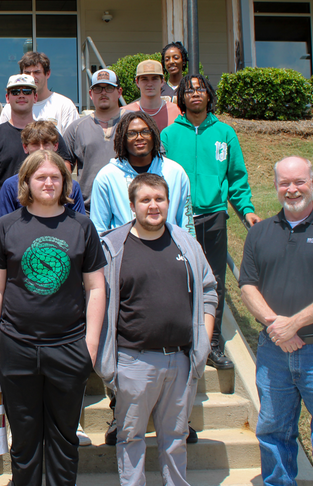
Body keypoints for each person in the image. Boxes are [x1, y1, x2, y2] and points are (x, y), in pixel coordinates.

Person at [0, 150, 106, 486]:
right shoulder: (7, 227)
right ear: (26, 182)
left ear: (65, 182)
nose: (48, 183)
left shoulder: (82, 226)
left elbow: (96, 287)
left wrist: (90, 344)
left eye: (55, 177)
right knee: (23, 439)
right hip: (17, 346)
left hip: (68, 345)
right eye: (41, 177)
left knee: (65, 439)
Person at [239, 156, 313, 486]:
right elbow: (247, 286)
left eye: (299, 182)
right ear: (276, 187)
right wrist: (277, 327)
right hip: (273, 353)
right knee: (273, 434)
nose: (292, 190)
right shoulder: (261, 232)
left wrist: (294, 324)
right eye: (284, 183)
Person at [95, 173, 217, 486]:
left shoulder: (186, 243)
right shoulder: (112, 248)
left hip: (180, 360)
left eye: (159, 199)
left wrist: (202, 341)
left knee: (175, 438)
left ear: (168, 202)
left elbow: (208, 290)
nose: (153, 206)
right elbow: (95, 300)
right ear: (132, 205)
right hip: (133, 361)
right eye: (145, 200)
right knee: (131, 437)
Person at [162, 74, 261, 371]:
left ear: (208, 95)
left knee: (215, 283)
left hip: (214, 216)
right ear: (181, 98)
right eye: (188, 90)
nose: (194, 94)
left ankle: (212, 343)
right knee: (178, 281)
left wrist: (246, 210)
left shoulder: (225, 133)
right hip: (178, 219)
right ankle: (180, 342)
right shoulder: (168, 135)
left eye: (200, 89)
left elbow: (237, 179)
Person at [0, 74, 73, 209]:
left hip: (47, 212)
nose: (21, 95)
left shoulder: (51, 133)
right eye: (15, 92)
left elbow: (64, 176)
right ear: (7, 98)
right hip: (4, 213)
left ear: (35, 97)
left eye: (27, 91)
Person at [89, 112, 194, 236]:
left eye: (145, 132)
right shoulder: (107, 177)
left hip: (169, 249)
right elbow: (99, 228)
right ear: (122, 138)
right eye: (132, 133)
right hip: (125, 251)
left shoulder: (175, 172)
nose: (139, 137)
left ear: (154, 135)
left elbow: (187, 224)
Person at [0, 121, 86, 217]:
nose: (41, 149)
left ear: (55, 146)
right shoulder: (11, 185)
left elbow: (79, 224)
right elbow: (4, 225)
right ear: (25, 147)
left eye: (46, 143)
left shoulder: (71, 186)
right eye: (35, 144)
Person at [63, 68, 124, 212]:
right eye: (98, 88)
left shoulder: (135, 122)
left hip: (128, 207)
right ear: (91, 94)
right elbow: (62, 170)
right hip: (89, 210)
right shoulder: (76, 128)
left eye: (109, 88)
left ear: (119, 92)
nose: (103, 93)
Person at [0, 51, 79, 135]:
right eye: (27, 73)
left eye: (37, 72)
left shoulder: (64, 106)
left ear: (48, 74)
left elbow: (71, 143)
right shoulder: (10, 107)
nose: (32, 77)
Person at [121, 60, 181, 132]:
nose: (150, 84)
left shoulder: (177, 111)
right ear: (137, 82)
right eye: (144, 79)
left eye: (154, 79)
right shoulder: (124, 113)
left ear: (162, 81)